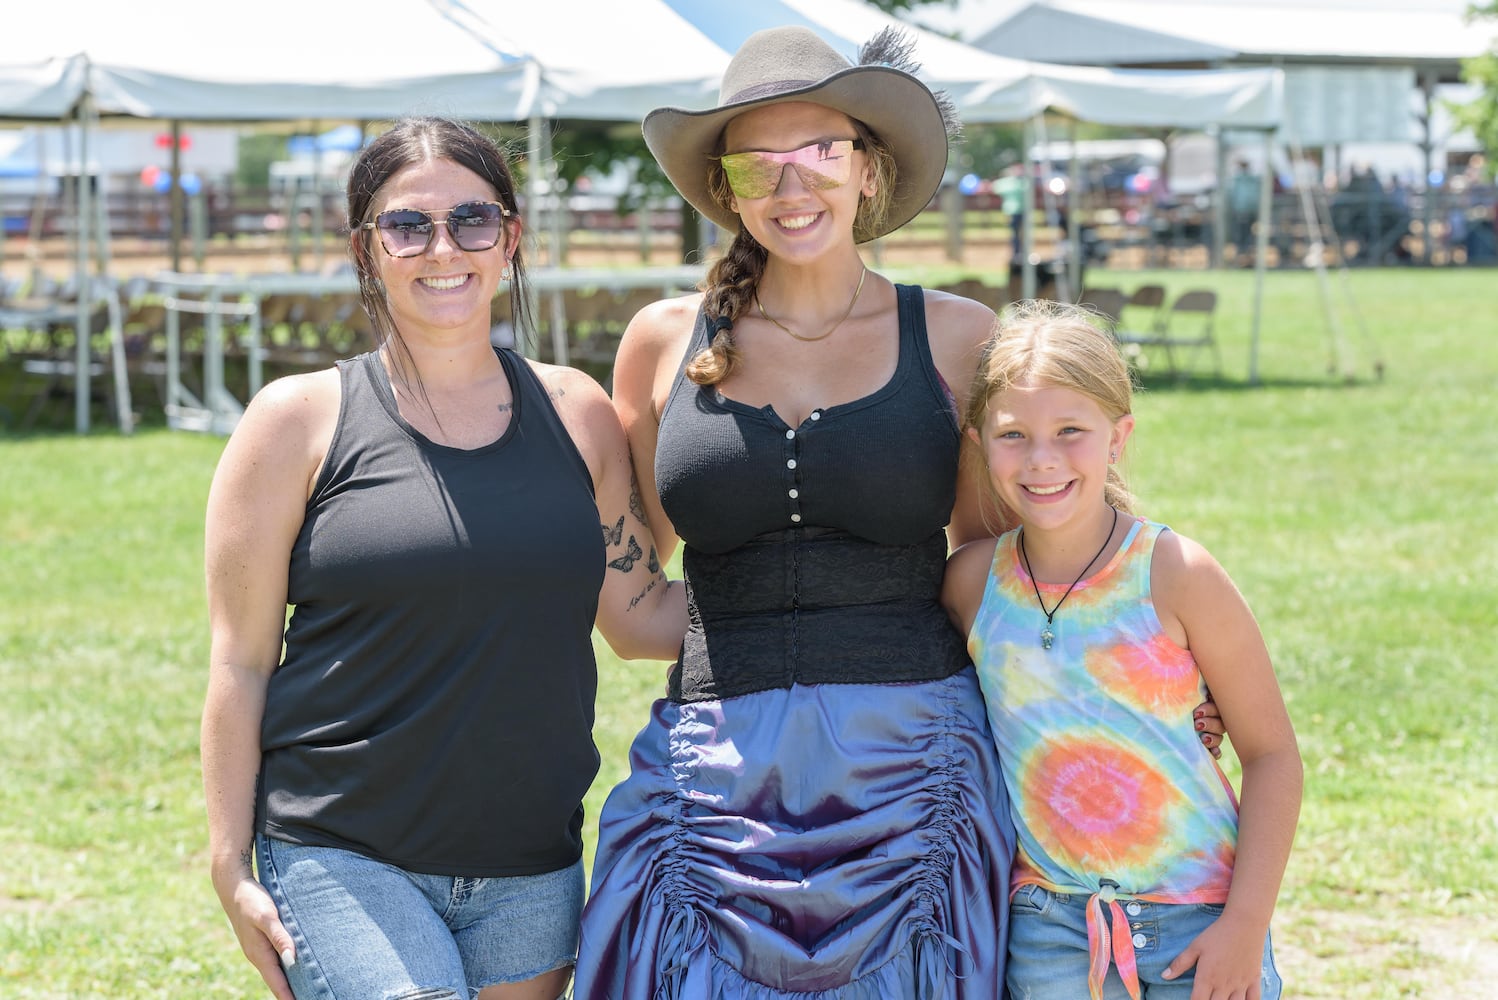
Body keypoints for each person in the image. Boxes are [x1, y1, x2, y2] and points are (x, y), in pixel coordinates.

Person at [571, 27, 1224, 998]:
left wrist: (1141, 672)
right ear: (726, 185)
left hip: (915, 777)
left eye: (821, 153)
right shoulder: (661, 340)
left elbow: (1007, 564)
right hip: (711, 779)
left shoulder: (957, 335)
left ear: (867, 170)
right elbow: (633, 614)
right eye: (760, 163)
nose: (793, 187)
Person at [201, 117, 685, 1000]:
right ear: (366, 247)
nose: (441, 248)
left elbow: (641, 616)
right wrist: (230, 863)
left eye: (471, 219)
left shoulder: (576, 414)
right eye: (406, 225)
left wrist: (834, 598)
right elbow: (238, 662)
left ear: (510, 238)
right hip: (341, 853)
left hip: (530, 867)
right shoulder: (296, 422)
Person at [942, 300, 1302, 1000]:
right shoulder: (969, 584)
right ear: (981, 442)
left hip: (1196, 926)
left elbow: (1272, 756)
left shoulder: (1176, 574)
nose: (1042, 460)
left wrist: (1245, 924)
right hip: (1047, 929)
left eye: (1070, 431)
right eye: (1014, 434)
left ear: (1118, 436)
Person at [1228, 159, 1260, 265]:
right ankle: (1245, 255)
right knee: (1247, 234)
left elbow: (1232, 195)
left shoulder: (1236, 180)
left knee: (1242, 234)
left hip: (1241, 211)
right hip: (1251, 210)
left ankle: (1243, 255)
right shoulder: (1254, 180)